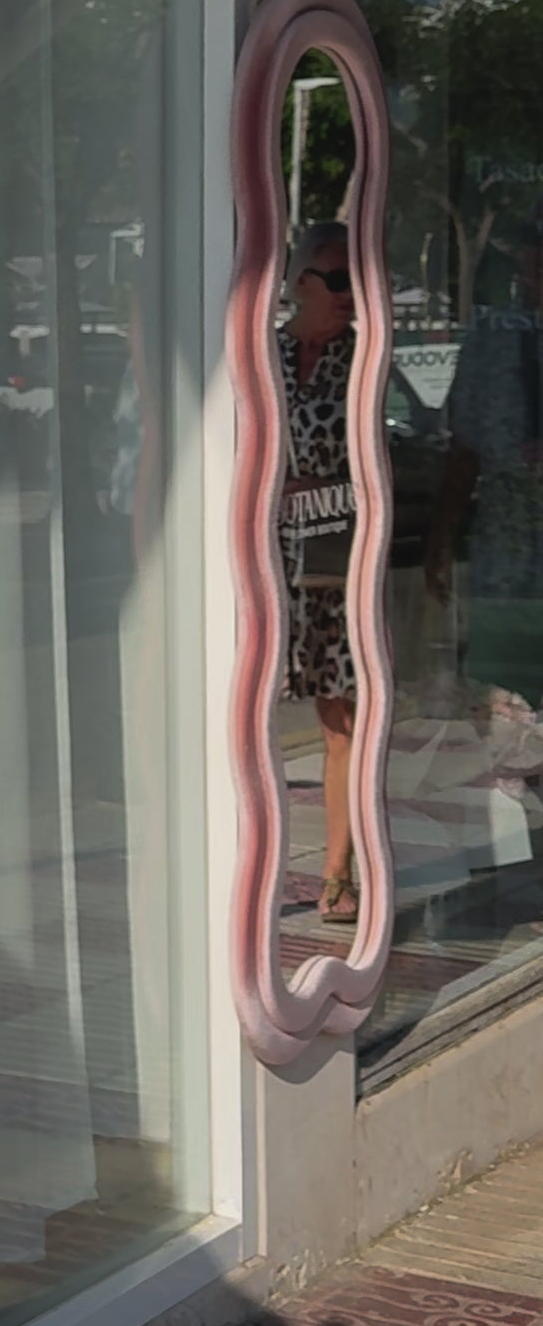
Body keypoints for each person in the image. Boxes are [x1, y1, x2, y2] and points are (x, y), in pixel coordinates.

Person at [425, 204, 543, 719]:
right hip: (506, 555)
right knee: (507, 703)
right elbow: (464, 449)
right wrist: (442, 535)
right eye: (533, 252)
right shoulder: (492, 338)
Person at [279, 219, 359, 927]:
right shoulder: (263, 354)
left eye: (353, 279)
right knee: (250, 713)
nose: (347, 293)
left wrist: (320, 488)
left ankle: (341, 870)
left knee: (344, 722)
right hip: (270, 559)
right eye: (335, 278)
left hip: (339, 561)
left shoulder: (361, 357)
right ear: (300, 281)